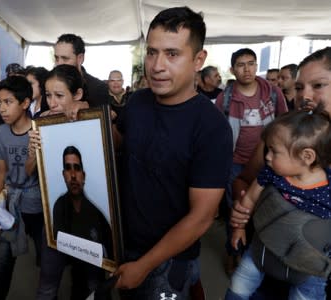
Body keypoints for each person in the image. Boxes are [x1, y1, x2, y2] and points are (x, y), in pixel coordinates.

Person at [112, 7, 233, 299]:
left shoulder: (212, 127)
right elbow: (115, 144)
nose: (156, 66)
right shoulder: (138, 102)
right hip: (121, 242)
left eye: (172, 54)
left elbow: (202, 217)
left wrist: (144, 265)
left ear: (198, 60)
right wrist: (81, 123)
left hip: (169, 258)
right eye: (152, 52)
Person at [231, 46, 331, 299]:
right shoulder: (279, 140)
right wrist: (244, 209)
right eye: (299, 88)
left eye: (318, 85)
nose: (305, 96)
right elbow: (243, 180)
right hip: (266, 264)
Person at [34, 64, 111, 300]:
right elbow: (35, 170)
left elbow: (115, 144)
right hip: (54, 225)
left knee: (92, 281)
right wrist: (32, 149)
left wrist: (92, 111)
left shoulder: (92, 117)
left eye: (59, 95)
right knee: (48, 280)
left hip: (88, 233)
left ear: (77, 95)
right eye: (48, 95)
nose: (52, 103)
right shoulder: (41, 122)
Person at [215, 48, 288, 276]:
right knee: (237, 210)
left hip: (270, 162)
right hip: (235, 164)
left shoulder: (273, 93)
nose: (246, 69)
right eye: (241, 64)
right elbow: (217, 132)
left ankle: (256, 258)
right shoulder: (224, 98)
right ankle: (233, 252)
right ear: (232, 69)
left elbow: (284, 123)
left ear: (257, 66)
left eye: (251, 63)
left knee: (265, 209)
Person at [0, 75, 43, 300]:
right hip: (11, 202)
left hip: (37, 204)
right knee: (4, 259)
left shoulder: (39, 131)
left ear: (25, 103)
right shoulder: (0, 133)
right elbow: (2, 171)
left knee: (46, 259)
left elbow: (30, 171)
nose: (2, 108)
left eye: (8, 102)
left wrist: (33, 153)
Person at [53, 145, 113, 259]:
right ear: (63, 175)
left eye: (77, 168)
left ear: (83, 175)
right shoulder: (59, 206)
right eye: (68, 168)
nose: (73, 175)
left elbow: (111, 252)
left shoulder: (97, 214)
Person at [54, 33, 109, 108]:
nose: (59, 63)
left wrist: (87, 108)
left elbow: (104, 116)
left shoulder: (98, 88)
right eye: (57, 58)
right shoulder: (48, 86)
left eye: (65, 58)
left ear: (80, 58)